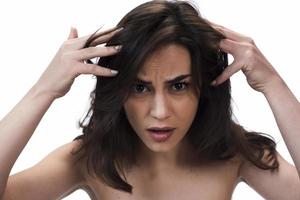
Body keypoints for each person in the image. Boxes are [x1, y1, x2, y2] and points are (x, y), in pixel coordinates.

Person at [0, 0, 299, 199]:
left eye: (178, 86)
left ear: (205, 87)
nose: (159, 112)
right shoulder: (90, 158)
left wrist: (273, 83)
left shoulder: (234, 154)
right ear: (118, 90)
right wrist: (43, 90)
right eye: (140, 88)